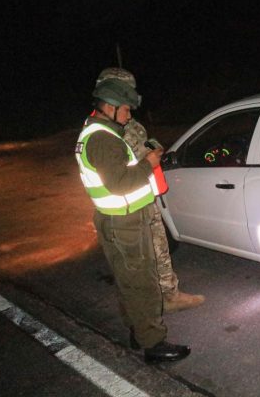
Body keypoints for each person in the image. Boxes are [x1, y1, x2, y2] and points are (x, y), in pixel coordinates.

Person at [75, 78, 190, 363]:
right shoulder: (103, 139)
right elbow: (120, 183)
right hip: (125, 223)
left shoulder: (94, 131)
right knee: (143, 284)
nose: (128, 116)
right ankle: (154, 344)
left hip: (116, 220)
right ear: (110, 107)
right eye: (126, 109)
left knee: (128, 281)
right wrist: (149, 163)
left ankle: (137, 333)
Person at [95, 68, 204, 314]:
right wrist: (148, 160)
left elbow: (141, 144)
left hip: (144, 194)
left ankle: (169, 295)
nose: (130, 97)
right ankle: (148, 310)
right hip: (127, 206)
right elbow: (118, 171)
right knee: (139, 261)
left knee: (159, 247)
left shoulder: (127, 120)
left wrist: (153, 151)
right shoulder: (106, 129)